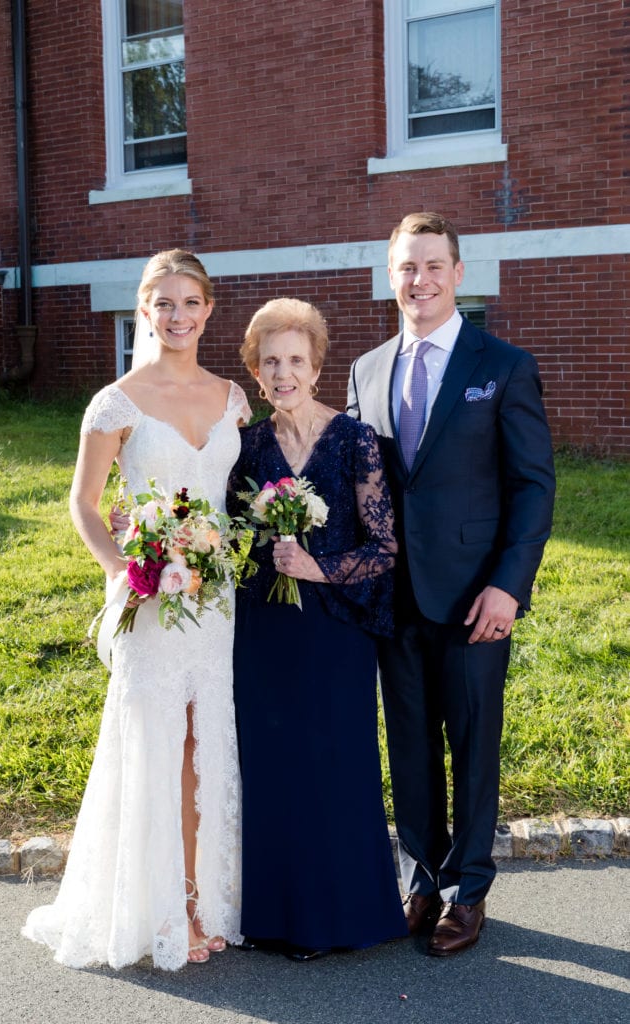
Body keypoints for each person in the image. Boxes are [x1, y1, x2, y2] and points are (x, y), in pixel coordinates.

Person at [22, 249, 251, 970]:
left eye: (190, 303)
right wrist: (124, 569)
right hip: (151, 601)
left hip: (215, 601)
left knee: (203, 744)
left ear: (208, 311)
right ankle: (163, 912)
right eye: (163, 303)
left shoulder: (232, 398)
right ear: (144, 312)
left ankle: (206, 901)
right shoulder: (115, 401)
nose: (178, 316)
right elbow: (84, 504)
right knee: (153, 745)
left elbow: (236, 499)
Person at [347, 212, 556, 957]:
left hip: (474, 597)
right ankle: (423, 878)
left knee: (471, 746)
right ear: (390, 273)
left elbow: (532, 486)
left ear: (458, 273)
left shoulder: (501, 365)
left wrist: (508, 586)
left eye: (433, 266)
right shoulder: (367, 370)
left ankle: (469, 891)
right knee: (407, 744)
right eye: (406, 267)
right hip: (391, 598)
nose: (419, 280)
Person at [228, 297, 407, 962]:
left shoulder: (354, 439)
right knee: (272, 766)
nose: (283, 373)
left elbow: (385, 547)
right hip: (264, 628)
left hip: (336, 630)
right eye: (270, 361)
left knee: (335, 765)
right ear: (253, 368)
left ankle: (341, 918)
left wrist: (316, 565)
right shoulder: (245, 447)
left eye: (295, 360)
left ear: (316, 366)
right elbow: (230, 535)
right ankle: (271, 917)